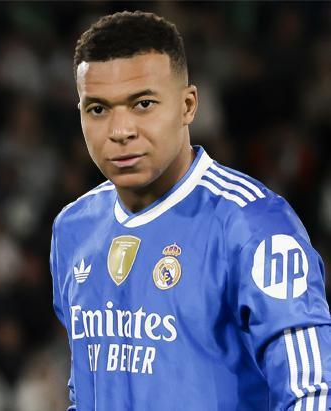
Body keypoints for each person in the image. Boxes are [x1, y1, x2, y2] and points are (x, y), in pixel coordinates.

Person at [50, 10, 331, 410]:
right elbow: (88, 387)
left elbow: (312, 392)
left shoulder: (253, 224)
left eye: (143, 104)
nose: (120, 130)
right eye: (98, 109)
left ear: (187, 105)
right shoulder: (73, 227)